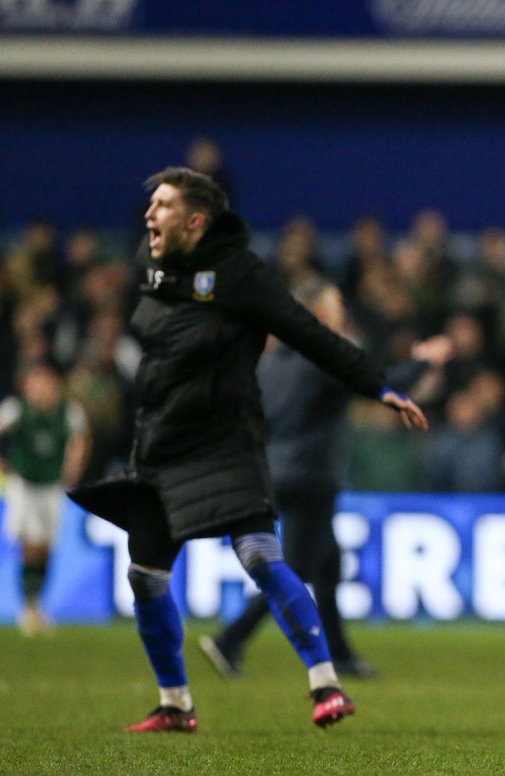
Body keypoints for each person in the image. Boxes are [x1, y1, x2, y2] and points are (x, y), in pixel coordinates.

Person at [68, 167, 428, 733]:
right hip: (162, 444)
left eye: (162, 206)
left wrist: (377, 385)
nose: (148, 215)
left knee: (261, 555)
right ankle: (175, 703)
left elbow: (309, 333)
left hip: (226, 440)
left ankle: (326, 684)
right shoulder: (153, 264)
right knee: (144, 575)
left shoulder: (239, 276)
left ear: (196, 221)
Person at [197, 277, 450, 680]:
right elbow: (380, 382)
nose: (342, 313)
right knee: (294, 570)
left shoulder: (272, 360)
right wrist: (425, 360)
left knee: (326, 565)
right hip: (309, 477)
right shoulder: (320, 355)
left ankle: (341, 655)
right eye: (334, 306)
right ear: (317, 313)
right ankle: (231, 639)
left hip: (277, 472)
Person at [0, 361, 90, 635]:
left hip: (52, 486)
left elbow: (80, 438)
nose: (42, 392)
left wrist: (74, 465)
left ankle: (37, 605)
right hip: (25, 485)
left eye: (47, 386)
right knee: (30, 545)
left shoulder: (69, 412)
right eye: (36, 385)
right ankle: (28, 607)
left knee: (47, 546)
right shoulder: (16, 410)